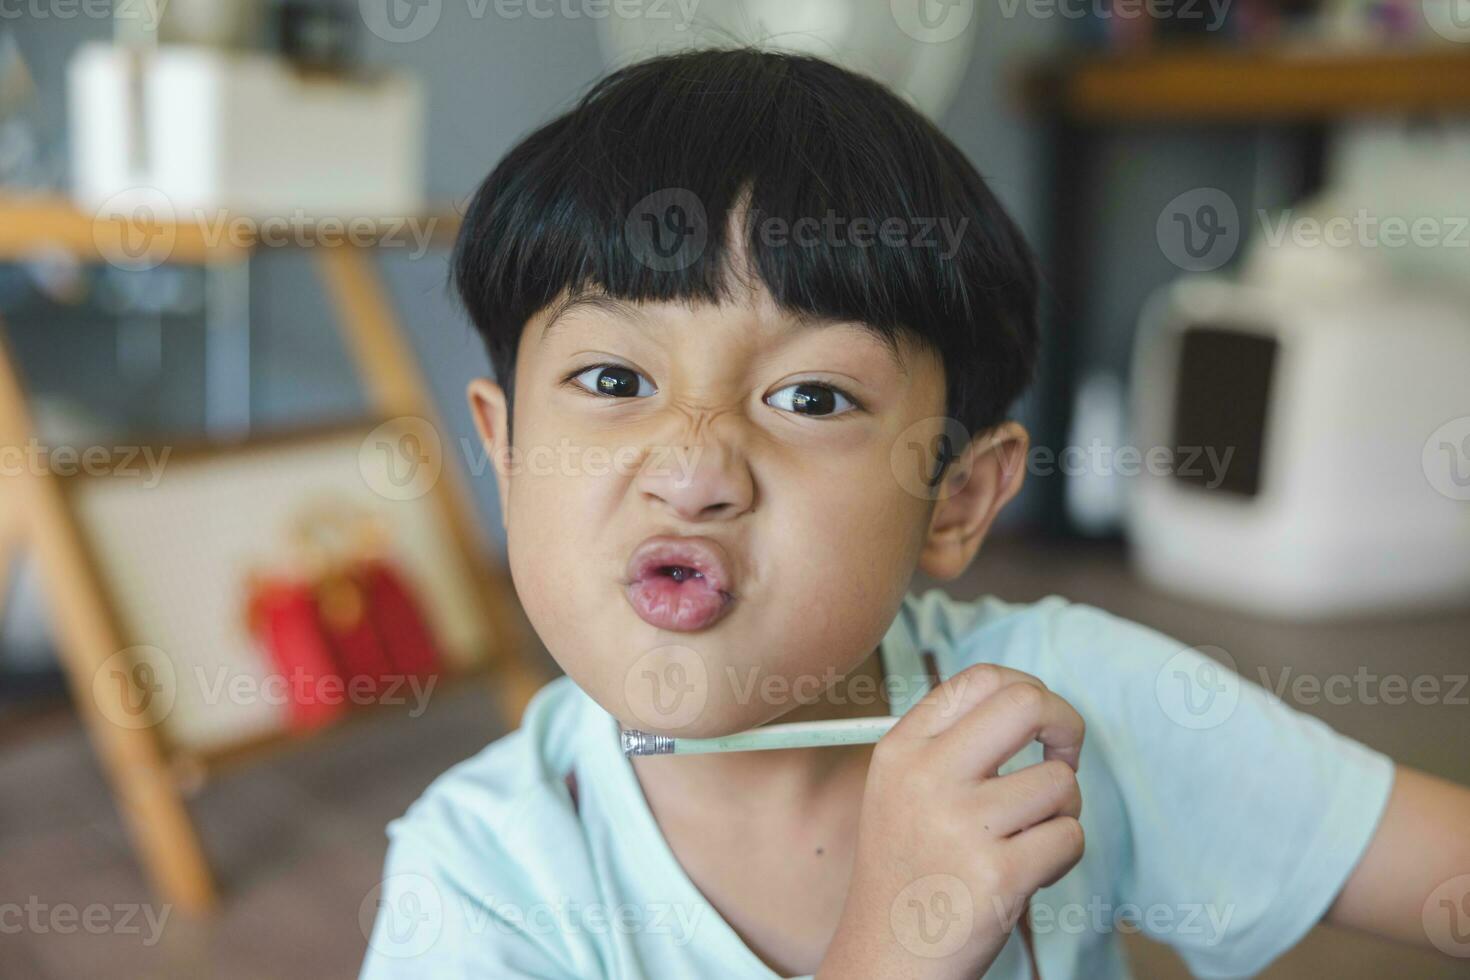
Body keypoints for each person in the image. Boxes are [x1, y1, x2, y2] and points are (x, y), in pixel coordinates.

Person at [360, 48, 1470, 979]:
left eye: (811, 396)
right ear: (503, 450)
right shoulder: (477, 877)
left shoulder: (1058, 711)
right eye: (613, 380)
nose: (693, 467)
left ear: (959, 498)